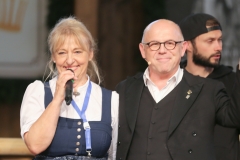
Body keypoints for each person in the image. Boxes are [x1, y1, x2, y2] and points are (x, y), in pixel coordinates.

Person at [115, 19, 240, 160]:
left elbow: (235, 117)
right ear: (143, 51)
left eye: (170, 43)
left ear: (183, 48)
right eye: (154, 44)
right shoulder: (124, 89)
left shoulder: (209, 90)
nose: (162, 51)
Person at [20, 17, 119, 160]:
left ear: (90, 54)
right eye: (62, 53)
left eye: (77, 51)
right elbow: (34, 146)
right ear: (53, 57)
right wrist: (57, 99)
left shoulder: (111, 100)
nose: (70, 60)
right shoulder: (38, 92)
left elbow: (114, 155)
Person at [179, 13, 240, 160]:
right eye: (210, 41)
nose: (218, 47)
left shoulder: (233, 82)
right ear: (187, 46)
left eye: (220, 40)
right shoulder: (173, 83)